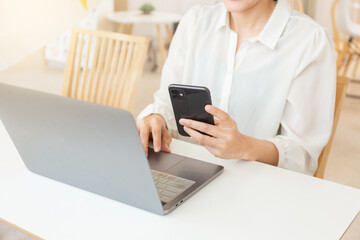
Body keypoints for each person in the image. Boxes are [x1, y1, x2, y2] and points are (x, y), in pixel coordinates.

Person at [136, 0, 336, 175]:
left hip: (258, 191)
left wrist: (243, 146)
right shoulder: (195, 21)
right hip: (183, 175)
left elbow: (302, 154)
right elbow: (165, 103)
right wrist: (156, 118)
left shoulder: (310, 41)